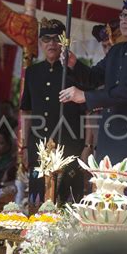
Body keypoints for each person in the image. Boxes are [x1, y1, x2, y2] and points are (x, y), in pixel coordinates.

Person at [59, 0, 127, 207]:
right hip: (109, 143)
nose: (124, 21)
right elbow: (94, 76)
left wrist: (85, 97)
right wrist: (73, 64)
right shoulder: (117, 51)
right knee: (104, 210)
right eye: (122, 15)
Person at [20, 17, 87, 206]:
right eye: (46, 39)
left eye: (56, 39)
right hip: (38, 145)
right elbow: (26, 111)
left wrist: (89, 146)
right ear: (40, 43)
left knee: (67, 203)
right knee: (37, 200)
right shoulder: (33, 72)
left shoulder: (74, 70)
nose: (51, 43)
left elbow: (91, 112)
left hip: (70, 144)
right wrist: (24, 146)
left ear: (64, 42)